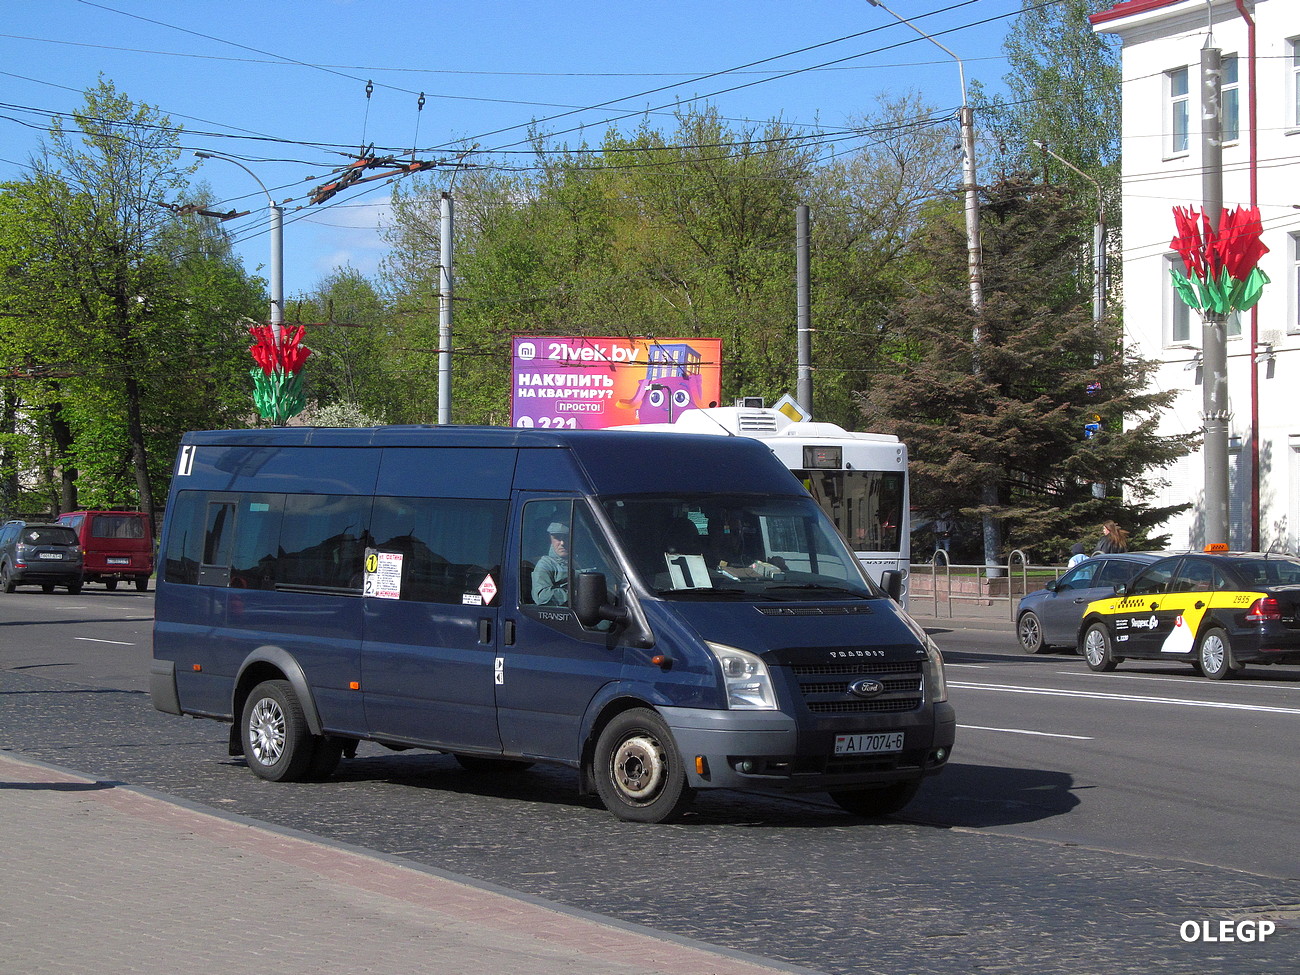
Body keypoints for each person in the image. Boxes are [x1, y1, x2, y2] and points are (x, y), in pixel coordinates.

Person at [532, 521, 570, 605]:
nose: (562, 543)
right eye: (557, 538)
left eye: (566, 537)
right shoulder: (546, 564)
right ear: (551, 540)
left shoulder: (586, 559)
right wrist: (574, 595)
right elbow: (542, 597)